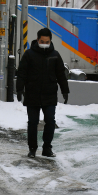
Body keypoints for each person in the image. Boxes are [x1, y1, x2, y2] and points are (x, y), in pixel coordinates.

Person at [16, 28, 69, 158]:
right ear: (37, 39)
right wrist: (19, 89)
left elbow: (61, 75)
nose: (44, 43)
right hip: (32, 94)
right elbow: (22, 73)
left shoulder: (55, 55)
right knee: (32, 122)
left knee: (50, 121)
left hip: (49, 94)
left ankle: (47, 148)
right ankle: (32, 148)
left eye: (47, 41)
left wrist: (65, 90)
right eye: (42, 41)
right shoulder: (29, 54)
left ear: (50, 41)